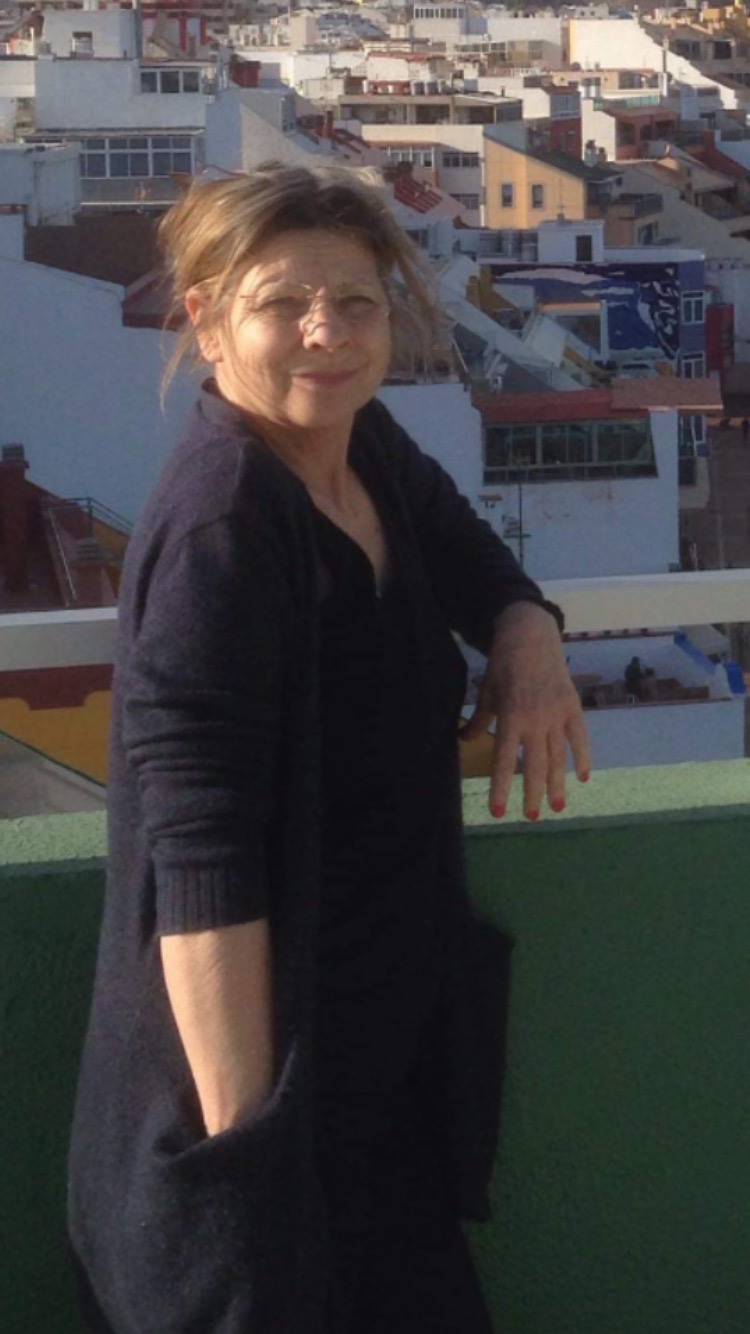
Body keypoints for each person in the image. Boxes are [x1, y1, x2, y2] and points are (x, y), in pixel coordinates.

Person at [68, 163, 590, 1334]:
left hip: (374, 1093)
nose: (327, 332)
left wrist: (526, 634)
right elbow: (200, 865)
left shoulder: (359, 446)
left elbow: (471, 555)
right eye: (282, 304)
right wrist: (254, 1166)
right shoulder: (224, 527)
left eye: (356, 301)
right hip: (267, 1120)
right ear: (206, 318)